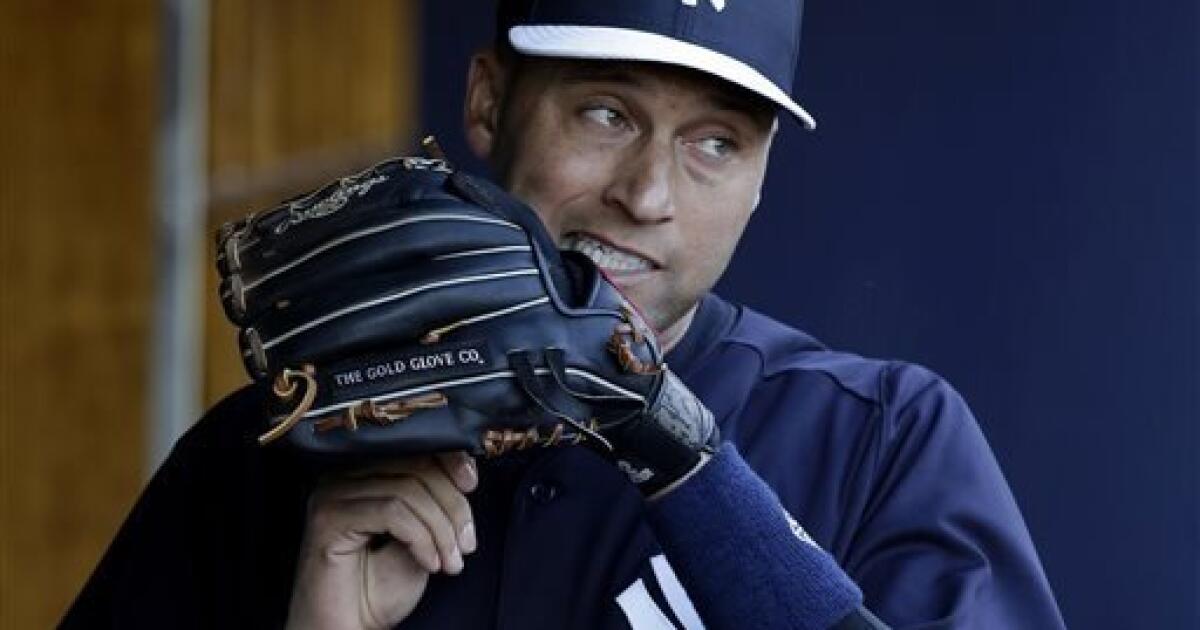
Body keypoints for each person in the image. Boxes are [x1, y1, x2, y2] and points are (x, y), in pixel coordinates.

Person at [64, 0, 1067, 628]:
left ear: (763, 178)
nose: (648, 195)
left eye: (715, 143)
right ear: (490, 100)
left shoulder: (880, 442)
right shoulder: (280, 448)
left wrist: (681, 454)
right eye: (606, 113)